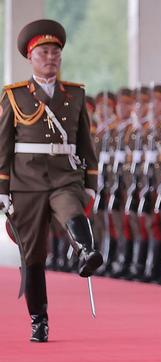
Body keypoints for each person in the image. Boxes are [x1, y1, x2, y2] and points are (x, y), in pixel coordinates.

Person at [0, 19, 102, 342]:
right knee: (32, 256)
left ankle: (86, 252)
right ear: (31, 57)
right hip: (26, 183)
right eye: (44, 52)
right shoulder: (14, 96)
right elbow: (3, 147)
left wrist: (90, 182)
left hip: (63, 176)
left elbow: (86, 143)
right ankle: (38, 319)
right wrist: (2, 189)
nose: (51, 58)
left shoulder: (74, 94)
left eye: (56, 52)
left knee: (72, 207)